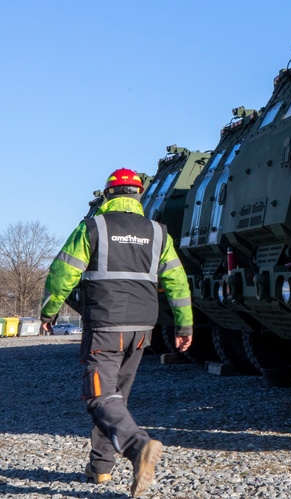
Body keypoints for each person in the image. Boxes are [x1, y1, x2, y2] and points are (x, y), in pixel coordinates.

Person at [40, 168, 194, 496]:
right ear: (138, 196)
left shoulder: (93, 227)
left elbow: (62, 272)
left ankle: (139, 448)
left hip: (105, 327)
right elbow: (178, 282)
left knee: (98, 396)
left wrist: (48, 311)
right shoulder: (157, 232)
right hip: (142, 329)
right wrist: (184, 325)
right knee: (115, 398)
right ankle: (101, 468)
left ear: (108, 195)